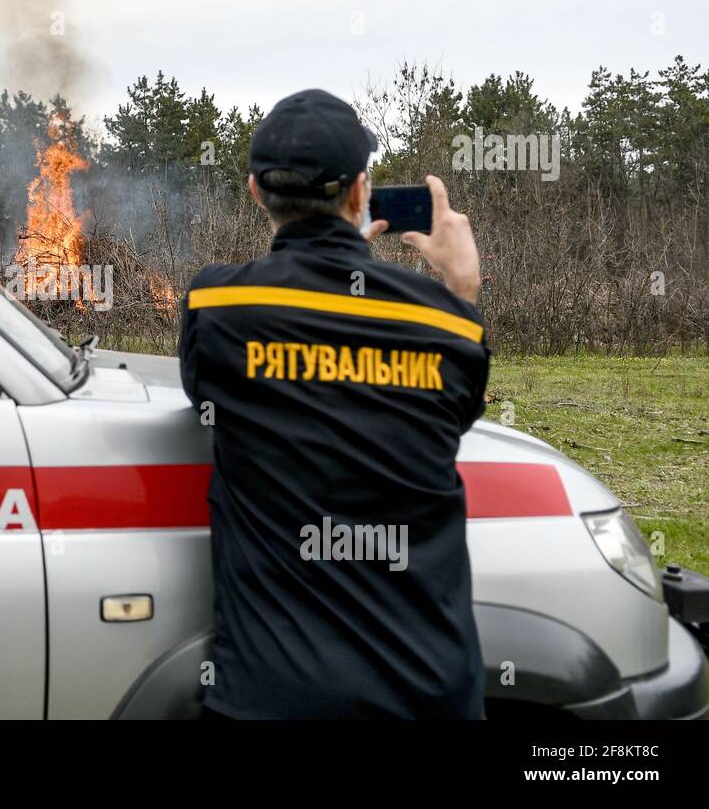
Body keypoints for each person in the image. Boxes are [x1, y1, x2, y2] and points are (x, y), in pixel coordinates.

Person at [179, 89, 490, 719]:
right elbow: (451, 415)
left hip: (273, 703)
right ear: (360, 193)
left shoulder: (218, 309)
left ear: (254, 192)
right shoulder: (450, 328)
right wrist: (461, 290)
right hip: (429, 696)